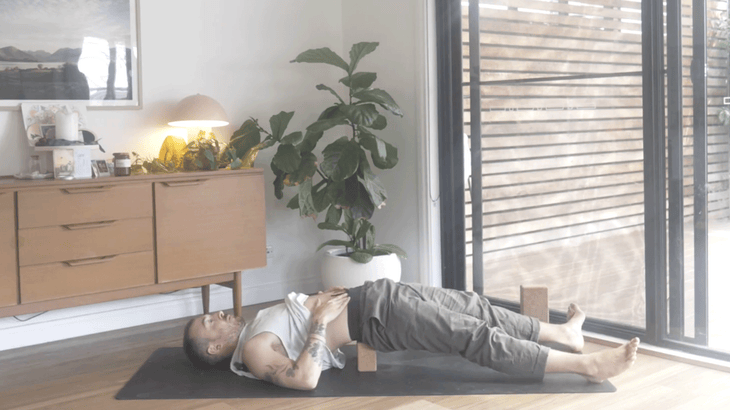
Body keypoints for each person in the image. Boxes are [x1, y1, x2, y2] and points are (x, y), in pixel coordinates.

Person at [183, 278, 639, 391]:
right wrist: (320, 317)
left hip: (382, 294)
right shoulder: (256, 351)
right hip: (380, 318)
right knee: (473, 335)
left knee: (475, 306)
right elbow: (305, 379)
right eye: (210, 323)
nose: (218, 315)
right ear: (216, 348)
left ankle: (563, 333)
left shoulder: (255, 331)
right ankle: (587, 366)